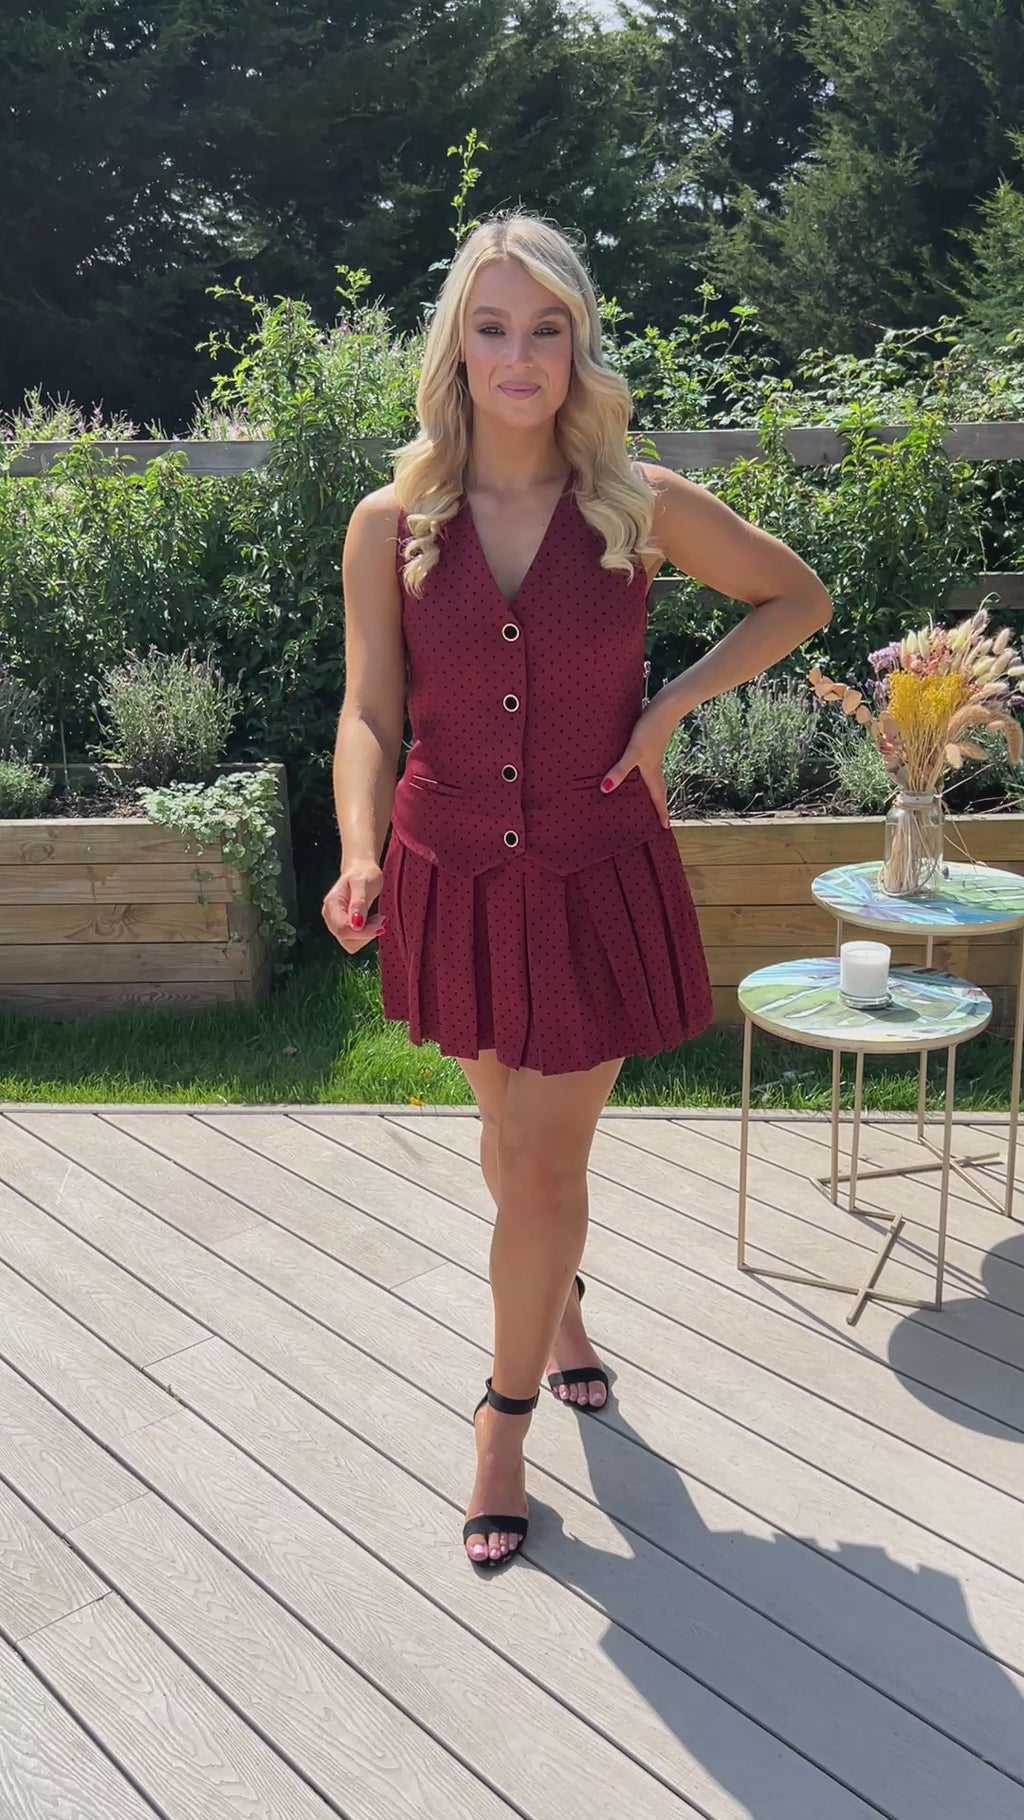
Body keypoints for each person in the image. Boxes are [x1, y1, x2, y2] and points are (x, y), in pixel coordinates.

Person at [323, 212, 832, 1570]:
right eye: (493, 327)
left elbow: (796, 599)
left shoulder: (635, 503)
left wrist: (666, 712)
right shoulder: (392, 523)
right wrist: (360, 851)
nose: (520, 355)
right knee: (509, 1146)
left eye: (546, 329)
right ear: (456, 346)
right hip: (448, 872)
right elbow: (369, 712)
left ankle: (500, 1425)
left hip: (595, 872)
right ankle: (557, 1316)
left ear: (576, 346)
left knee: (547, 1163)